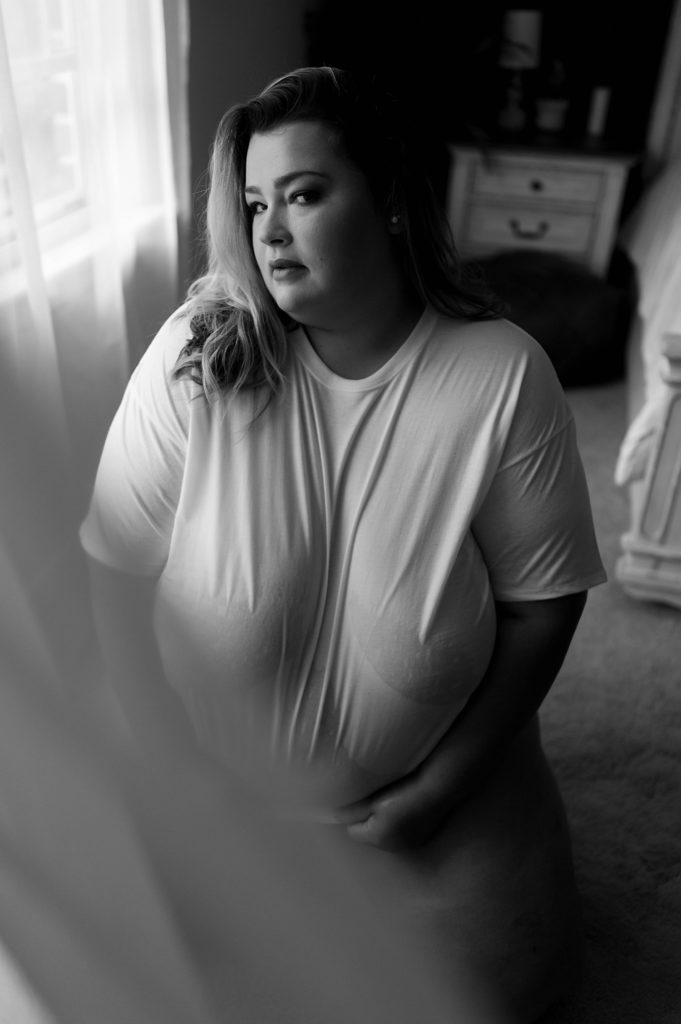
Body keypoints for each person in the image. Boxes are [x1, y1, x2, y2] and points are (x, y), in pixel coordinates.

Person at [80, 65, 607, 1022]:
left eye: (304, 194)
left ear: (392, 205)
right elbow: (113, 575)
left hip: (427, 802)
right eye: (250, 204)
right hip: (207, 790)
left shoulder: (498, 376)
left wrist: (444, 786)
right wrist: (172, 771)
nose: (268, 230)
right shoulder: (196, 356)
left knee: (506, 1000)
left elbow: (542, 604)